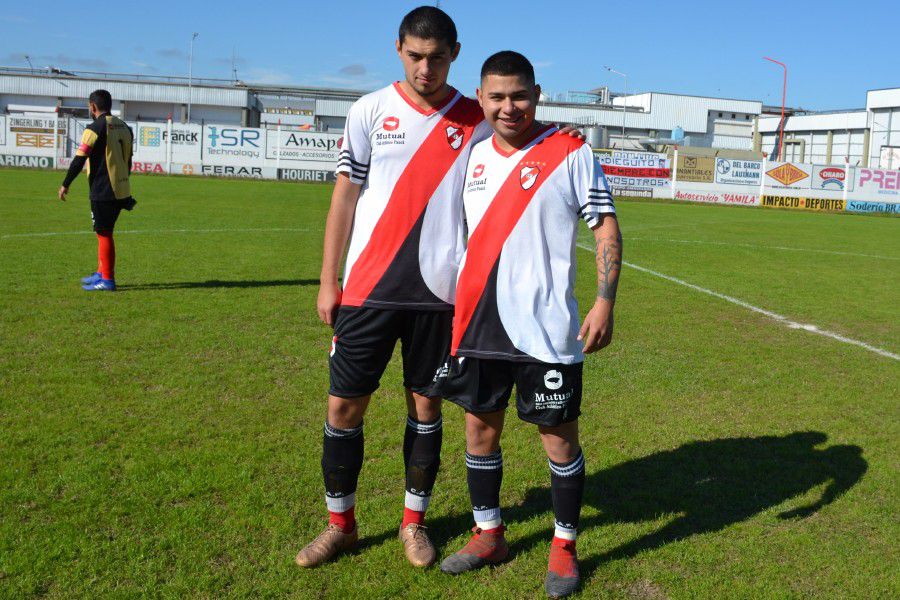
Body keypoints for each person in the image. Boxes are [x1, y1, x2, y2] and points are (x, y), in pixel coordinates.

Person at [296, 6, 584, 570]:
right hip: (367, 291)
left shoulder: (477, 114)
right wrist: (329, 280)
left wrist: (564, 133)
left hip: (441, 299)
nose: (425, 68)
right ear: (397, 49)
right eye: (414, 56)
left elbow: (524, 131)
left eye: (437, 57)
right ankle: (340, 525)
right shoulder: (369, 111)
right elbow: (345, 197)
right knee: (344, 406)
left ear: (455, 53)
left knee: (426, 411)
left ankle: (413, 524)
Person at [438, 51, 622, 599]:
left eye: (518, 95)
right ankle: (488, 534)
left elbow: (606, 229)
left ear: (537, 94)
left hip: (546, 326)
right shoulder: (469, 151)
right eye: (496, 97)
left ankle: (564, 548)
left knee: (558, 440)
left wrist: (604, 300)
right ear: (481, 97)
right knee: (479, 430)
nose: (508, 106)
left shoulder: (570, 151)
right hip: (478, 322)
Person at [58, 89, 136, 291]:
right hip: (122, 188)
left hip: (103, 189)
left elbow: (79, 159)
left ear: (92, 106)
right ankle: (101, 273)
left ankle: (107, 279)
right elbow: (129, 160)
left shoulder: (94, 128)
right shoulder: (125, 127)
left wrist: (66, 183)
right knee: (102, 231)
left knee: (104, 233)